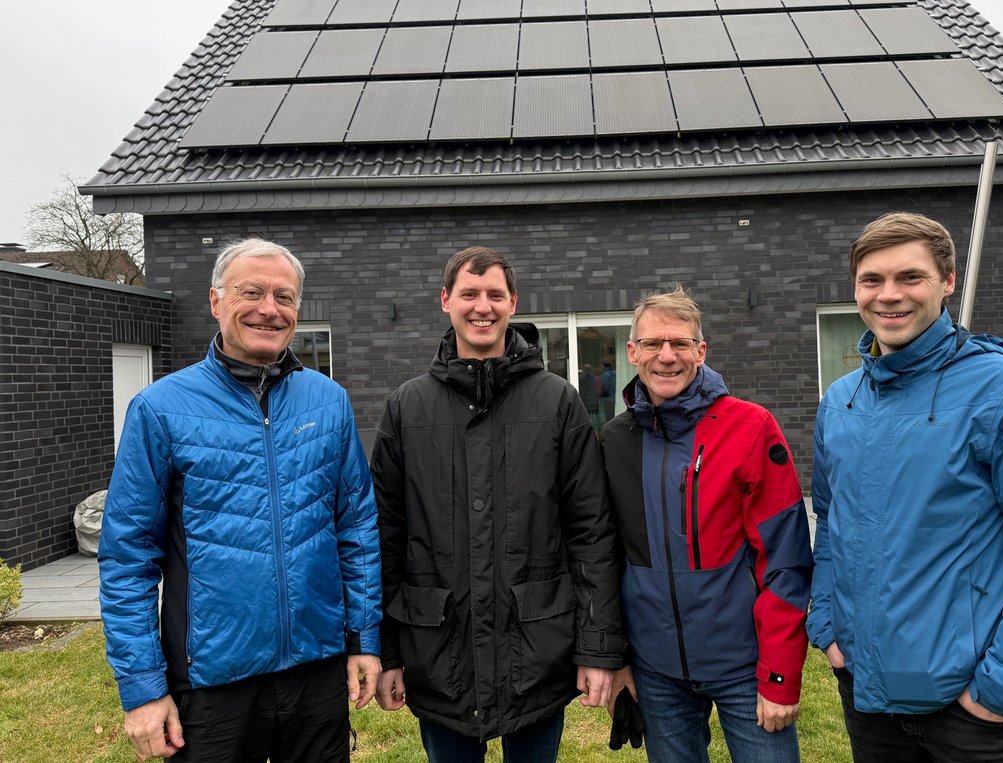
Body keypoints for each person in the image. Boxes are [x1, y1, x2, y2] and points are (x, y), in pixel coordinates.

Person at [807, 212, 1003, 762]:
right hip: (867, 698)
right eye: (872, 280)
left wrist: (1002, 691)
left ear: (947, 282)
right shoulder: (842, 401)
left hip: (973, 715)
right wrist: (828, 626)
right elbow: (830, 521)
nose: (889, 295)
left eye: (910, 277)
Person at [99, 239, 382, 762]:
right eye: (251, 292)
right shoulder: (160, 410)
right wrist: (143, 686)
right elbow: (128, 558)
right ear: (215, 301)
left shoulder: (329, 401)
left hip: (317, 673)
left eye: (284, 297)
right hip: (212, 683)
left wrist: (364, 639)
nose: (269, 309)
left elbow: (357, 530)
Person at [371, 246, 625, 762]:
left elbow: (591, 533)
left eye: (493, 294)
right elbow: (383, 536)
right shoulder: (407, 407)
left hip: (537, 649)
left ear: (513, 302)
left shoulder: (557, 402)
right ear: (446, 301)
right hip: (438, 655)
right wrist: (386, 651)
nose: (481, 306)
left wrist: (597, 648)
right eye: (468, 293)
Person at [600, 285, 812, 763]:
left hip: (745, 666)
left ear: (702, 352)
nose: (667, 356)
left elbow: (787, 559)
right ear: (633, 352)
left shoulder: (751, 427)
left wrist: (780, 674)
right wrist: (616, 662)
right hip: (655, 672)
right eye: (653, 344)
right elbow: (604, 561)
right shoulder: (613, 441)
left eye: (680, 344)